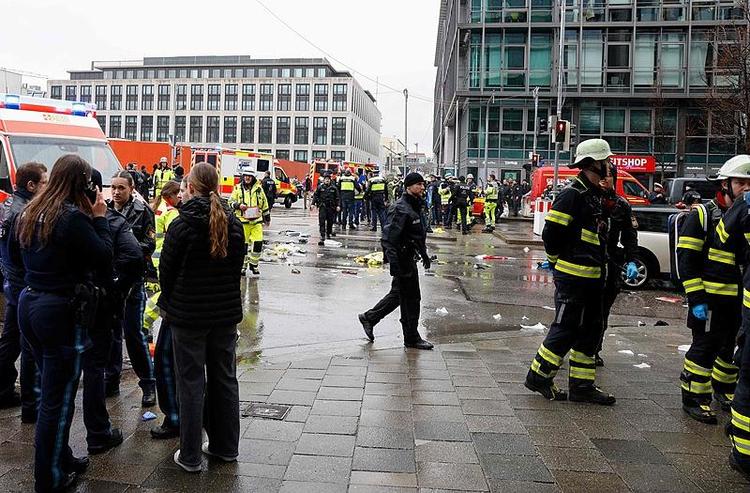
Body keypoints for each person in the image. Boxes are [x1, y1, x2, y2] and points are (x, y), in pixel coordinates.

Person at [16, 154, 112, 491]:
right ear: (81, 182)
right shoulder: (70, 217)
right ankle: (51, 477)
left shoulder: (33, 209)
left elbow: (17, 256)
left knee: (49, 390)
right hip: (59, 308)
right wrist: (99, 218)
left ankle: (61, 456)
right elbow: (102, 256)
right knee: (57, 400)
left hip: (31, 300)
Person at [158, 162, 246, 473]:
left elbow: (165, 272)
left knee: (191, 383)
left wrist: (170, 305)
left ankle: (191, 455)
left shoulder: (181, 225)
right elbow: (236, 271)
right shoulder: (233, 224)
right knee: (225, 379)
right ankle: (226, 448)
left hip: (188, 317)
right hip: (224, 317)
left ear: (191, 188)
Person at [525, 138, 616, 405]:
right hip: (574, 279)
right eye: (606, 162)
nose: (609, 166)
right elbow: (551, 233)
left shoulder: (594, 195)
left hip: (593, 278)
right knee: (566, 328)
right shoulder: (572, 195)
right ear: (593, 164)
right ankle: (538, 376)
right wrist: (555, 261)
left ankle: (582, 386)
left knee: (591, 330)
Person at [676, 158, 750, 424]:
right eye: (740, 182)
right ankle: (694, 397)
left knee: (731, 347)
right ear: (725, 184)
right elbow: (687, 260)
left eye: (749, 184)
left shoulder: (746, 217)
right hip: (708, 300)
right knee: (704, 348)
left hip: (738, 301)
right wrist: (695, 298)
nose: (745, 188)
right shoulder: (702, 216)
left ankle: (725, 391)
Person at [83, 191, 143, 455]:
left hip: (54, 302)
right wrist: (116, 287)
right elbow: (129, 256)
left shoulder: (51, 214)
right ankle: (97, 434)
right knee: (95, 364)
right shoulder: (102, 220)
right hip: (94, 301)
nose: (113, 192)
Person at [357, 172, 434, 350]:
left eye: (423, 184)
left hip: (408, 258)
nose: (423, 187)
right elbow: (389, 239)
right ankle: (411, 338)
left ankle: (370, 318)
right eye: (419, 184)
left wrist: (424, 255)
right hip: (402, 259)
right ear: (409, 186)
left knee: (400, 295)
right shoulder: (401, 208)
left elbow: (416, 235)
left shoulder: (414, 205)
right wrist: (394, 264)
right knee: (411, 298)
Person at [104, 171, 156, 407]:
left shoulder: (142, 211)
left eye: (121, 188)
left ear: (131, 188)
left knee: (134, 334)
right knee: (111, 332)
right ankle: (111, 380)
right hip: (110, 278)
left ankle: (148, 382)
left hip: (133, 279)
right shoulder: (103, 208)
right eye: (113, 187)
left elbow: (150, 243)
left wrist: (126, 246)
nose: (116, 192)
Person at [0, 162, 46, 420]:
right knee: (27, 345)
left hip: (11, 282)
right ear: (31, 186)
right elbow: (23, 255)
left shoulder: (7, 205)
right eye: (44, 183)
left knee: (10, 340)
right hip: (21, 285)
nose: (47, 187)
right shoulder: (24, 213)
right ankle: (31, 403)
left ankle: (4, 388)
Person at [148, 181, 183, 439]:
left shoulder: (163, 210)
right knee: (170, 359)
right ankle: (177, 417)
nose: (181, 196)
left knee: (166, 357)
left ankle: (174, 417)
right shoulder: (171, 213)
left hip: (165, 279)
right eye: (178, 192)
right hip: (172, 286)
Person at [596, 163, 639, 366]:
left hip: (611, 261)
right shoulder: (588, 199)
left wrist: (631, 260)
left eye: (608, 177)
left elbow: (630, 235)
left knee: (603, 311)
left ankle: (595, 349)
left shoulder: (621, 204)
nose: (604, 180)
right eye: (601, 176)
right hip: (588, 259)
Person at [229, 170, 270, 277]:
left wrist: (267, 218)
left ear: (253, 178)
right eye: (246, 176)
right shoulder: (237, 188)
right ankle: (243, 267)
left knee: (258, 242)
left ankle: (254, 265)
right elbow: (230, 202)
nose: (247, 178)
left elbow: (264, 203)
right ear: (243, 177)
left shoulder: (259, 189)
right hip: (243, 222)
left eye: (250, 176)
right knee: (243, 246)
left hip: (256, 221)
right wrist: (238, 205)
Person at [313, 171, 340, 245]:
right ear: (324, 180)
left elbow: (337, 198)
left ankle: (328, 233)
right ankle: (322, 235)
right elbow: (315, 196)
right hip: (323, 207)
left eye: (328, 179)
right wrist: (313, 204)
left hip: (331, 207)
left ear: (330, 179)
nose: (327, 180)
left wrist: (338, 205)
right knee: (322, 221)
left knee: (330, 222)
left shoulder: (334, 188)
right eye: (326, 179)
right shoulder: (320, 187)